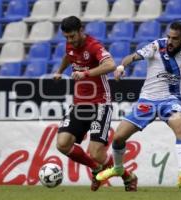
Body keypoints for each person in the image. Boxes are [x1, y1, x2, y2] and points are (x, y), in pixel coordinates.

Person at [96, 21, 181, 189]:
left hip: (170, 100)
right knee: (118, 137)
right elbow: (132, 57)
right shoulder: (156, 46)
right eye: (169, 36)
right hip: (147, 101)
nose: (169, 41)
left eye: (174, 38)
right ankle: (118, 168)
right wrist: (120, 67)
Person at [53, 16, 136, 191]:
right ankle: (97, 169)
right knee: (62, 144)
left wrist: (86, 74)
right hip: (79, 104)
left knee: (96, 153)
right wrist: (59, 71)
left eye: (72, 36)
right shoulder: (71, 45)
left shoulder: (93, 46)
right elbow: (68, 56)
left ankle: (128, 177)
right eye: (66, 37)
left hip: (100, 103)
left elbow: (111, 65)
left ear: (81, 30)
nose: (70, 41)